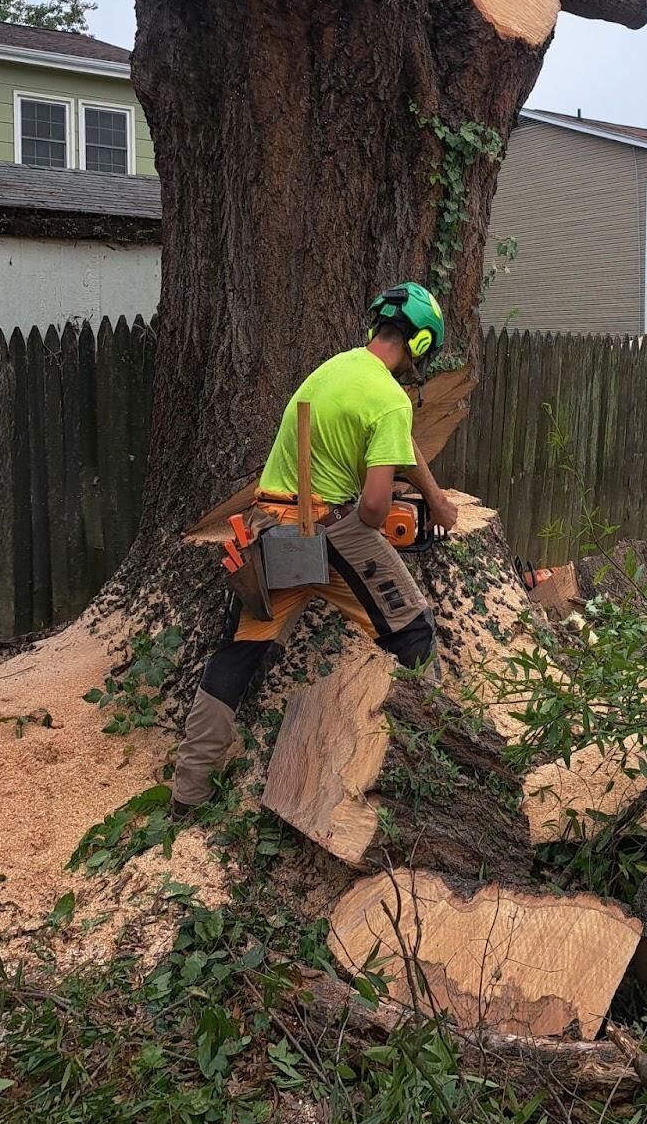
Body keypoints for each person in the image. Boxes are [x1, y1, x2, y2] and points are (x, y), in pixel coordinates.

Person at [171, 282, 459, 814]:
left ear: (378, 326)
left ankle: (187, 795)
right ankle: (432, 767)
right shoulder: (390, 398)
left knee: (239, 654)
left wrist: (433, 497)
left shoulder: (335, 369)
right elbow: (373, 511)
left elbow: (402, 443)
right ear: (421, 345)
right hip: (328, 528)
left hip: (266, 527)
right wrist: (393, 504)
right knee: (413, 630)